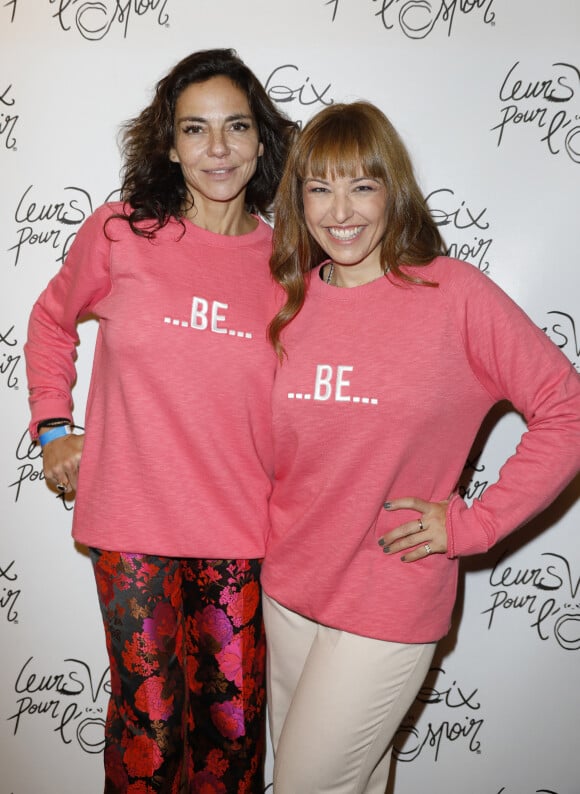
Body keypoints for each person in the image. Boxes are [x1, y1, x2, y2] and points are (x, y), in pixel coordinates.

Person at [261, 101, 580, 794]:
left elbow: (567, 410)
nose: (340, 209)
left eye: (362, 185)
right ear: (298, 199)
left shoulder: (452, 295)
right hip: (285, 592)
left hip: (388, 598)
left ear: (392, 190)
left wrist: (477, 523)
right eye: (320, 187)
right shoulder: (287, 302)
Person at [24, 48, 296, 793]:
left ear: (261, 141)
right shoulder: (122, 232)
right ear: (169, 144)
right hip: (133, 523)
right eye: (195, 129)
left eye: (236, 127)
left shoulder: (289, 263)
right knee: (147, 725)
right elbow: (51, 322)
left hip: (242, 531)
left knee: (235, 728)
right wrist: (53, 428)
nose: (217, 149)